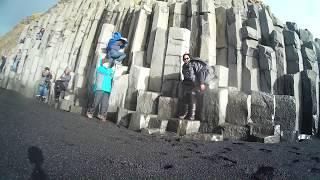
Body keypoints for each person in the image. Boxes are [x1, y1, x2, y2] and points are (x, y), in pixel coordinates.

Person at [178, 53, 208, 120]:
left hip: (197, 83)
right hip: (189, 84)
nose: (186, 60)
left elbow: (200, 72)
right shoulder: (184, 66)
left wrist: (201, 83)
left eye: (187, 58)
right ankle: (185, 113)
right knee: (185, 95)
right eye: (184, 59)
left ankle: (192, 115)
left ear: (189, 58)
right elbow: (186, 77)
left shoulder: (194, 64)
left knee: (192, 94)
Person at [86, 56, 114, 122]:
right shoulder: (100, 69)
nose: (108, 64)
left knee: (104, 104)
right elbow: (108, 73)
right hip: (100, 88)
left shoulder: (110, 70)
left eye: (108, 63)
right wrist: (111, 70)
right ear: (103, 63)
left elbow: (111, 75)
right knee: (96, 102)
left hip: (107, 89)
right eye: (107, 63)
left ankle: (102, 115)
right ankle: (90, 112)